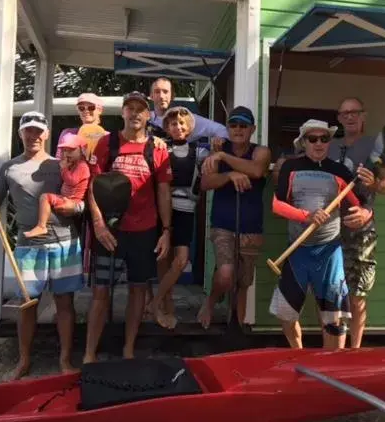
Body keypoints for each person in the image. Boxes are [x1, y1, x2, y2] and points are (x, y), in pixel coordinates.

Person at [0, 111, 85, 379]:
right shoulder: (9, 168)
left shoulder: (62, 164)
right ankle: (24, 360)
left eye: (38, 131)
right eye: (28, 130)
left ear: (47, 134)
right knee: (28, 305)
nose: (33, 136)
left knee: (65, 303)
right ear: (20, 134)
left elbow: (80, 198)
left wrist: (77, 207)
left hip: (64, 240)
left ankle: (65, 360)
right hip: (28, 245)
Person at [269, 119, 374, 350]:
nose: (319, 143)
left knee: (334, 318)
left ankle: (332, 365)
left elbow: (361, 204)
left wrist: (365, 214)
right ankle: (299, 355)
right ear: (303, 142)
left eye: (324, 138)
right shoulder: (290, 167)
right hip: (297, 250)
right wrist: (305, 216)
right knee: (286, 314)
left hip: (329, 251)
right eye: (312, 138)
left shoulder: (339, 171)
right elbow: (277, 206)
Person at [84, 91, 173, 361]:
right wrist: (98, 224)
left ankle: (129, 350)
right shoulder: (105, 144)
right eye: (130, 108)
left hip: (144, 231)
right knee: (100, 293)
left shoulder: (157, 148)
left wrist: (166, 231)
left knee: (137, 290)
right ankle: (89, 355)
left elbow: (164, 191)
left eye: (140, 109)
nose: (135, 113)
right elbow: (92, 187)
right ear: (122, 112)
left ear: (148, 115)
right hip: (109, 231)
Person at [328, 97, 385, 348]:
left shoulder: (374, 145)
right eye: (344, 113)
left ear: (363, 116)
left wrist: (373, 185)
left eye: (354, 112)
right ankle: (337, 349)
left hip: (361, 228)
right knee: (335, 292)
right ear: (339, 117)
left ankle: (355, 352)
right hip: (332, 227)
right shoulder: (330, 146)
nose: (350, 117)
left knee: (357, 296)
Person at [197, 106, 272, 329]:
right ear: (228, 127)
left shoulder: (261, 151)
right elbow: (205, 183)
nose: (238, 129)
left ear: (252, 129)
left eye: (243, 125)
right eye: (233, 125)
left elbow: (257, 170)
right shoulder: (217, 150)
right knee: (226, 274)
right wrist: (229, 175)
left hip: (251, 227)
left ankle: (237, 328)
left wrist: (223, 157)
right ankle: (210, 302)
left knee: (242, 283)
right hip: (223, 224)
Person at [145, 106, 210, 329]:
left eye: (182, 123)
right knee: (163, 260)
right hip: (164, 208)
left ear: (190, 127)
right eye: (173, 124)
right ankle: (166, 307)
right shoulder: (160, 147)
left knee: (180, 260)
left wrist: (219, 150)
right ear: (167, 127)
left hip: (187, 209)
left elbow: (220, 144)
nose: (178, 127)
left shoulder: (200, 151)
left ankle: (154, 303)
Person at [24, 134, 90, 238]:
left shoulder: (82, 166)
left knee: (45, 197)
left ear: (82, 150)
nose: (67, 153)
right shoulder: (73, 164)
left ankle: (41, 226)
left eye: (71, 150)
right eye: (64, 150)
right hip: (67, 200)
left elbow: (72, 181)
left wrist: (63, 169)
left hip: (73, 201)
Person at [148, 76, 229, 142]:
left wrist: (219, 142)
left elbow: (221, 130)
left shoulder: (188, 119)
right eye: (157, 92)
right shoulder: (145, 119)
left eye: (165, 92)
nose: (161, 96)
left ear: (172, 95)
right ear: (151, 96)